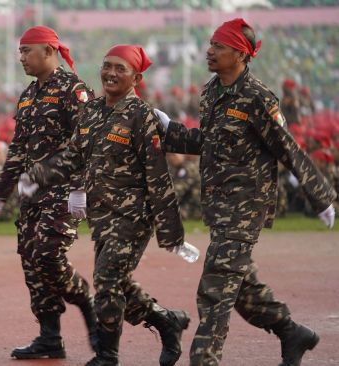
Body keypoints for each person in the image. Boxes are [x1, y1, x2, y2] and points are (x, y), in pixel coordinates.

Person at [153, 18, 336, 366]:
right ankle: (291, 332)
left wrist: (320, 195)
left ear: (239, 53)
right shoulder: (211, 92)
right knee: (241, 288)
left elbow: (287, 147)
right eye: (210, 44)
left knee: (217, 284)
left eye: (218, 46)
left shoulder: (257, 97)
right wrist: (169, 131)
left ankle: (204, 359)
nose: (209, 51)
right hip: (218, 204)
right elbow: (208, 143)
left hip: (246, 205)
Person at [20, 44, 190, 366]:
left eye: (120, 69)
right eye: (107, 65)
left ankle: (107, 357)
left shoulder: (142, 116)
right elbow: (72, 156)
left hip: (133, 216)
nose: (111, 73)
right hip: (102, 216)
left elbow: (157, 173)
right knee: (119, 281)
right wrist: (36, 174)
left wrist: (170, 230)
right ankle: (166, 321)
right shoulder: (93, 111)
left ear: (136, 77)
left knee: (107, 279)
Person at [0, 25, 98, 360]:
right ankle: (50, 338)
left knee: (48, 256)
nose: (21, 58)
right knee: (32, 262)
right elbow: (18, 150)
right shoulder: (29, 94)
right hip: (32, 196)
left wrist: (80, 188)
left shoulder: (73, 90)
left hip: (62, 193)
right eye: (19, 52)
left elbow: (86, 144)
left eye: (26, 51)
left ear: (49, 51)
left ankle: (86, 302)